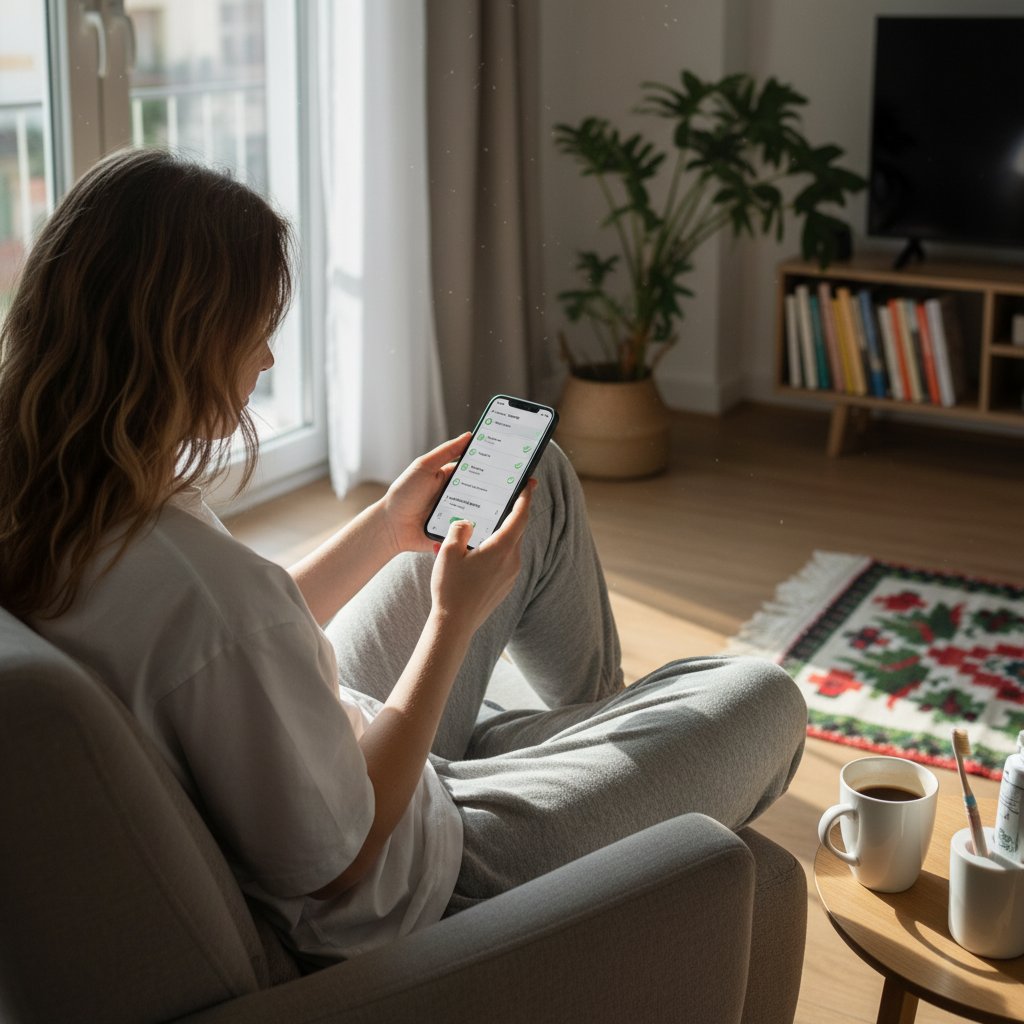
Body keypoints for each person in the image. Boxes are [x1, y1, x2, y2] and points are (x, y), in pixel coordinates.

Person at [0, 149, 806, 967]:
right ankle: (595, 751)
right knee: (766, 697)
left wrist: (386, 529)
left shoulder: (58, 500)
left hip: (325, 741)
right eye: (253, 333)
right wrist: (452, 621)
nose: (267, 360)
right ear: (184, 338)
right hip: (421, 871)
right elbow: (342, 858)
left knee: (540, 475)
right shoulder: (197, 589)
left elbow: (231, 649)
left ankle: (592, 740)